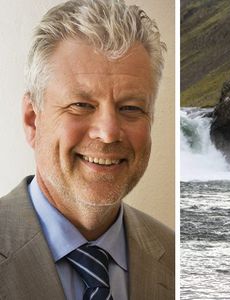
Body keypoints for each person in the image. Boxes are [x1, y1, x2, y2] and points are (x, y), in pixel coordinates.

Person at [0, 0, 174, 299]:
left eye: (130, 108)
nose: (107, 133)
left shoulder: (174, 254)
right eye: (81, 105)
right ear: (32, 120)